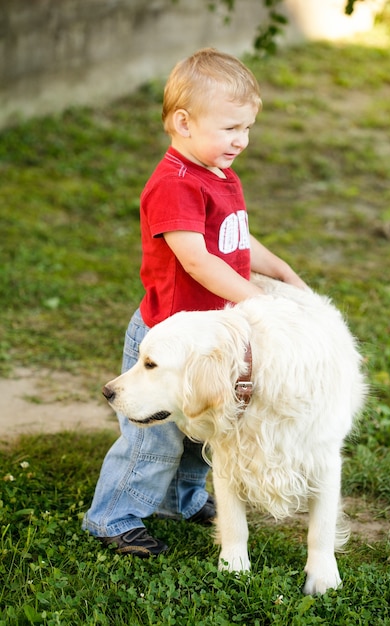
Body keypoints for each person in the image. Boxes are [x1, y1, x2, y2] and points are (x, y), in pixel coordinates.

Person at [82, 47, 308, 556]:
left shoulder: (218, 173)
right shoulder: (174, 185)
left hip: (209, 339)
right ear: (183, 122)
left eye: (247, 128)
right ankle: (113, 516)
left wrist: (283, 273)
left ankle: (182, 501)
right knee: (155, 435)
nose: (241, 140)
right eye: (230, 128)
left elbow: (236, 239)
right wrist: (258, 302)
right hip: (168, 337)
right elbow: (199, 261)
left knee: (204, 425)